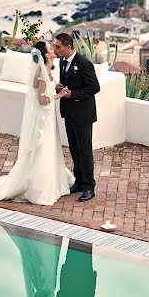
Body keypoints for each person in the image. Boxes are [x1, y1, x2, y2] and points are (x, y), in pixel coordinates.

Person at [0, 41, 74, 205]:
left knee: (49, 147)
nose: (53, 50)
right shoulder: (42, 74)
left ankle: (50, 180)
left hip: (48, 117)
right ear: (45, 55)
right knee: (42, 147)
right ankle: (38, 186)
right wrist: (60, 95)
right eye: (51, 48)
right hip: (43, 118)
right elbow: (42, 100)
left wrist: (55, 87)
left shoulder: (47, 72)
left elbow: (45, 90)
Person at [54, 32, 100, 202]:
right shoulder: (62, 61)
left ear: (68, 47)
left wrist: (72, 94)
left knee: (85, 151)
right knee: (74, 149)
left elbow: (94, 87)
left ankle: (89, 187)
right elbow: (68, 82)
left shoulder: (84, 64)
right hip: (69, 113)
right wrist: (61, 86)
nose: (55, 49)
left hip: (83, 114)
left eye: (57, 46)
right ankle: (79, 182)